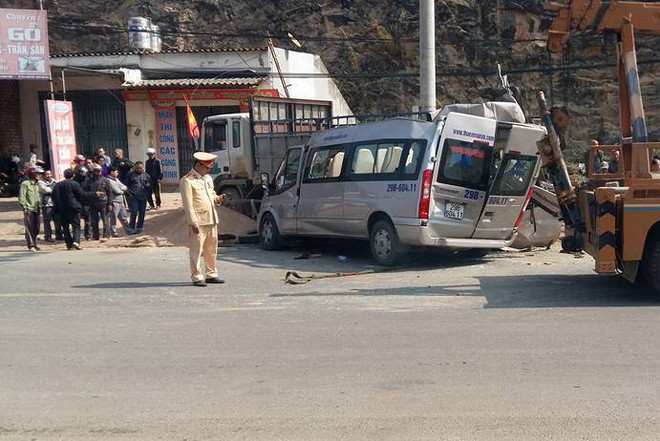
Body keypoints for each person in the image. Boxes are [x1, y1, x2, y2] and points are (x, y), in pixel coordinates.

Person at [179, 152, 226, 287]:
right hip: (198, 220)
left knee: (211, 249)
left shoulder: (208, 179)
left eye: (210, 168)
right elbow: (188, 205)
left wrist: (219, 199)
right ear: (198, 165)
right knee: (196, 250)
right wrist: (192, 222)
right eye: (206, 167)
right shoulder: (187, 180)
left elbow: (212, 196)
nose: (208, 170)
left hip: (211, 218)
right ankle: (196, 276)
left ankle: (211, 274)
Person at [52, 168, 102, 250]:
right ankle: (76, 241)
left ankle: (69, 244)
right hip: (73, 208)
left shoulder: (58, 185)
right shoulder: (74, 184)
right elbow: (82, 194)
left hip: (61, 209)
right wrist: (95, 194)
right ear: (73, 175)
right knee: (76, 226)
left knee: (65, 228)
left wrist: (57, 206)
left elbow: (54, 196)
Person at [83, 163, 112, 240]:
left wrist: (110, 203)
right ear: (93, 171)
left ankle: (106, 235)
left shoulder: (105, 180)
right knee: (94, 221)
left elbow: (109, 192)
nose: (98, 172)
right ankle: (95, 236)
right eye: (96, 171)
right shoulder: (88, 181)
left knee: (105, 220)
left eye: (99, 171)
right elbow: (86, 193)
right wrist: (86, 203)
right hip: (93, 203)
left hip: (103, 203)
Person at [18, 166, 43, 251]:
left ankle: (34, 243)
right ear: (32, 174)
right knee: (29, 227)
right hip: (29, 208)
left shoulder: (37, 184)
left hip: (37, 208)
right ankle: (31, 245)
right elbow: (22, 197)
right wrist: (24, 208)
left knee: (36, 228)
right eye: (38, 174)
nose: (39, 175)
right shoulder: (25, 184)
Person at [107, 166, 134, 236]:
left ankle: (129, 231)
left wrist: (122, 189)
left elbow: (124, 186)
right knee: (113, 218)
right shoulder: (109, 180)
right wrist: (122, 190)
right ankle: (113, 232)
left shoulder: (116, 179)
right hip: (114, 201)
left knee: (124, 217)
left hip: (121, 201)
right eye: (116, 172)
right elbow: (116, 191)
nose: (117, 173)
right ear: (111, 172)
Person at [125, 161, 150, 234]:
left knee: (142, 212)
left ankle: (140, 227)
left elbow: (149, 185)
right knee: (134, 212)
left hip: (143, 197)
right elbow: (126, 185)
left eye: (141, 168)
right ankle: (132, 227)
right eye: (138, 168)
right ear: (135, 168)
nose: (139, 169)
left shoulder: (146, 175)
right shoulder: (130, 175)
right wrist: (129, 193)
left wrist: (148, 186)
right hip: (133, 197)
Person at [38, 170, 63, 242]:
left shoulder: (54, 181)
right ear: (44, 175)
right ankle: (48, 236)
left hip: (55, 204)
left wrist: (53, 189)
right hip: (46, 205)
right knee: (47, 221)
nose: (48, 176)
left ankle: (59, 235)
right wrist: (53, 189)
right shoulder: (40, 182)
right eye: (47, 174)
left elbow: (58, 190)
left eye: (49, 174)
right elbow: (45, 190)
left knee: (58, 220)